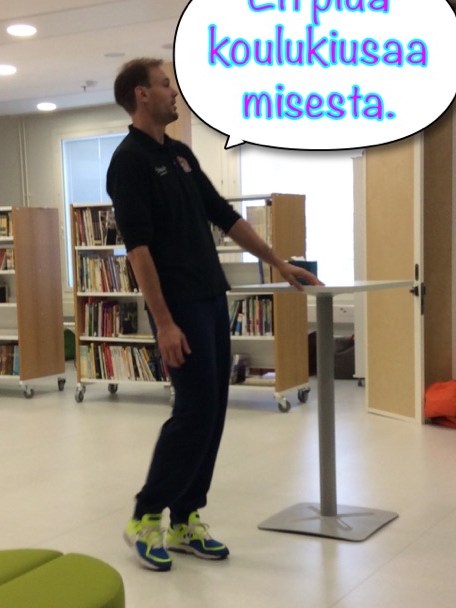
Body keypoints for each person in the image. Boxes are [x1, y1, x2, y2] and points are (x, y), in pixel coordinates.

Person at [106, 58, 322, 572]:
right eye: (165, 85)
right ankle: (145, 515)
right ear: (141, 95)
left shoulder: (179, 154)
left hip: (209, 296)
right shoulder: (128, 162)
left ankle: (185, 518)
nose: (174, 93)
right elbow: (138, 251)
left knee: (214, 410)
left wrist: (278, 262)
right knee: (193, 412)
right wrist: (163, 323)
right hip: (178, 305)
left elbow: (224, 215)